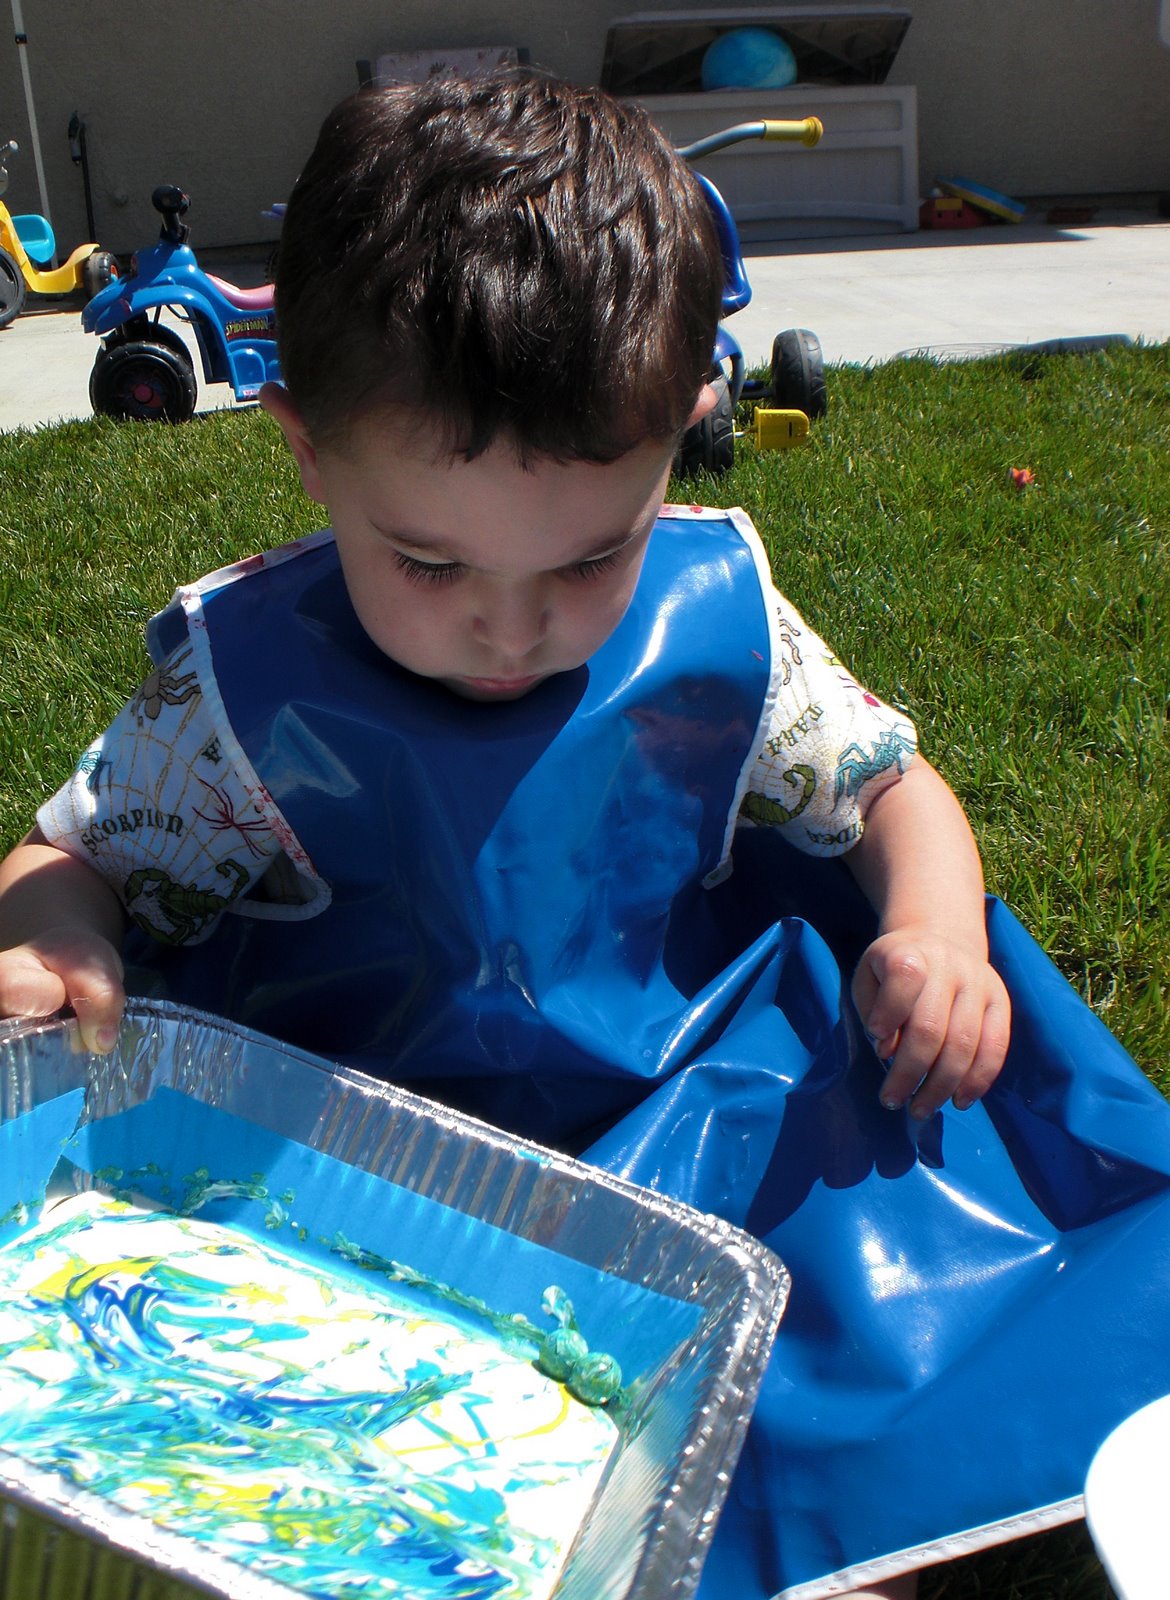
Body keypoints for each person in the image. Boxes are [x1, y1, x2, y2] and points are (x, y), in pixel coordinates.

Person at [0, 69, 1012, 1600]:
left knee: (838, 1363)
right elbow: (72, 856)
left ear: (683, 436)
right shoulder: (243, 699)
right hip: (342, 1150)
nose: (510, 625)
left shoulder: (718, 624)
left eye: (594, 554)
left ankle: (834, 1538)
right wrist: (54, 931)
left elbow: (887, 791)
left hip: (671, 1114)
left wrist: (933, 930)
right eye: (427, 561)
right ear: (304, 449)